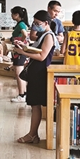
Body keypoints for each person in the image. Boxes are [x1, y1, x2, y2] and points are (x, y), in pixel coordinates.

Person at [14, 10, 56, 144]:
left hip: (40, 73)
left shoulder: (49, 36)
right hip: (36, 72)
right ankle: (33, 134)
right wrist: (25, 47)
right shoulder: (43, 35)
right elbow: (37, 50)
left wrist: (23, 52)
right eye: (34, 23)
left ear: (46, 23)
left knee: (36, 104)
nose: (35, 26)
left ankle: (32, 134)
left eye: (38, 23)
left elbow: (42, 56)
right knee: (34, 105)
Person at [9, 6, 29, 103]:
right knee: (20, 73)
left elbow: (25, 34)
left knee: (18, 73)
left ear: (17, 15)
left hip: (19, 50)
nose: (12, 16)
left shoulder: (21, 24)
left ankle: (21, 95)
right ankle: (23, 93)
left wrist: (20, 41)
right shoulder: (21, 24)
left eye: (13, 14)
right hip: (19, 50)